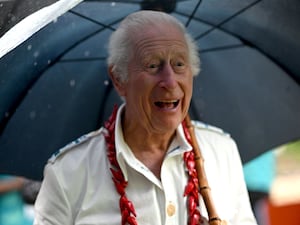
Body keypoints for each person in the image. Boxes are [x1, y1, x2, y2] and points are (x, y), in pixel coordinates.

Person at [33, 10, 257, 225]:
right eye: (152, 65)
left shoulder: (221, 150)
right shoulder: (67, 174)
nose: (170, 82)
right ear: (119, 78)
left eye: (179, 64)